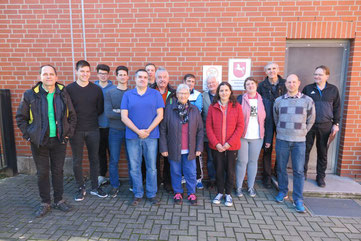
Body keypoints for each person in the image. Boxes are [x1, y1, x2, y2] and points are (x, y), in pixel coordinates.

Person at [16, 65, 77, 217]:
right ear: (40, 77)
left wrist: (68, 133)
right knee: (42, 172)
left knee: (58, 171)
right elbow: (20, 117)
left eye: (51, 74)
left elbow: (72, 116)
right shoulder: (30, 94)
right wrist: (29, 135)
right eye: (45, 74)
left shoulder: (63, 93)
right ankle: (45, 202)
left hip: (59, 140)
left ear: (56, 77)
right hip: (39, 141)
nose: (48, 77)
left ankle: (59, 200)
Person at [121, 69, 164, 206]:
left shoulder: (155, 94)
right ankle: (138, 193)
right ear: (135, 79)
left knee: (152, 167)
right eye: (140, 77)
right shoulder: (128, 95)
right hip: (132, 137)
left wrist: (148, 130)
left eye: (145, 77)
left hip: (151, 137)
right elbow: (124, 117)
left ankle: (151, 194)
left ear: (148, 79)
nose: (142, 79)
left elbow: (160, 115)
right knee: (134, 166)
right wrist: (138, 131)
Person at [66, 60, 107, 201]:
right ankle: (80, 188)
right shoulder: (69, 89)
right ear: (76, 72)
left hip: (93, 129)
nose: (85, 74)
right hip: (76, 131)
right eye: (82, 71)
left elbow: (100, 109)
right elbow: (66, 111)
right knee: (77, 160)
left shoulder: (96, 89)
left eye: (87, 71)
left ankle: (95, 187)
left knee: (94, 159)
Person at [273, 74, 315, 213]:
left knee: (298, 170)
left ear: (299, 83)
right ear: (285, 84)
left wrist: (302, 132)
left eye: (294, 82)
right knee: (281, 168)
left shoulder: (307, 100)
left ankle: (298, 199)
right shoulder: (279, 101)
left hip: (299, 141)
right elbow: (276, 117)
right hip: (282, 139)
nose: (291, 84)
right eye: (289, 82)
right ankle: (283, 191)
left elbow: (311, 119)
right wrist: (281, 131)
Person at [160, 84, 204, 205]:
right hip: (173, 147)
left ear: (189, 95)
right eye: (180, 93)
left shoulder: (194, 110)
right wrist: (163, 147)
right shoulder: (168, 109)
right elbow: (163, 129)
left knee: (191, 173)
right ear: (176, 94)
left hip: (190, 149)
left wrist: (199, 147)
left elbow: (200, 130)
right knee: (175, 172)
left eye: (185, 93)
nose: (183, 95)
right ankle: (178, 192)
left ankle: (191, 193)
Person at [206, 82, 244, 207]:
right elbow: (209, 127)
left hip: (231, 147)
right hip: (216, 147)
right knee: (219, 170)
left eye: (226, 90)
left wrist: (229, 143)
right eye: (221, 90)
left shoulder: (236, 106)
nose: (224, 93)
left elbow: (240, 126)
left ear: (230, 92)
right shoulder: (213, 107)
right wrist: (216, 143)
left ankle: (228, 193)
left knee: (230, 170)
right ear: (218, 93)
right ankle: (219, 192)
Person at [302, 65, 341, 187]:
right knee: (305, 150)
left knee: (322, 152)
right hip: (309, 125)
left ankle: (320, 177)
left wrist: (336, 123)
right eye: (316, 74)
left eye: (320, 74)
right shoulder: (308, 89)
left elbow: (337, 108)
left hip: (326, 125)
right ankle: (302, 174)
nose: (317, 76)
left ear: (327, 76)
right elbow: (302, 107)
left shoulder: (333, 90)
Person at [257, 62, 287, 188]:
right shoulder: (261, 86)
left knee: (281, 149)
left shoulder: (285, 84)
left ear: (278, 70)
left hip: (282, 121)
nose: (272, 71)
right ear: (266, 72)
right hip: (267, 121)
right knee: (267, 149)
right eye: (269, 69)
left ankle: (278, 173)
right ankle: (267, 177)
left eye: (274, 68)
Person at [236, 77, 266, 198]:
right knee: (242, 162)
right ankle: (238, 187)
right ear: (245, 87)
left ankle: (250, 187)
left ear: (256, 85)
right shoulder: (240, 99)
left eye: (252, 83)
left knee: (253, 162)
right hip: (242, 136)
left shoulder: (263, 100)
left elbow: (267, 120)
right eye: (247, 84)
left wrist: (267, 138)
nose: (250, 86)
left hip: (257, 136)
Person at [150, 67, 177, 193]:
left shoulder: (174, 93)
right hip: (153, 129)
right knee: (153, 159)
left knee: (168, 159)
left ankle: (168, 183)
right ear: (155, 78)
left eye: (164, 77)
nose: (162, 80)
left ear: (168, 78)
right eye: (159, 77)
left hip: (169, 131)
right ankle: (155, 183)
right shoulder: (149, 91)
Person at [104, 65, 130, 197]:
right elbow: (109, 113)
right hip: (114, 131)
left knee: (132, 159)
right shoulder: (110, 93)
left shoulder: (132, 93)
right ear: (116, 76)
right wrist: (125, 113)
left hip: (130, 131)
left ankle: (133, 184)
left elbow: (134, 113)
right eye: (120, 74)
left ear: (128, 77)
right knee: (114, 159)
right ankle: (114, 185)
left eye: (125, 74)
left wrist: (118, 111)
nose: (122, 77)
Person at [95, 64, 116, 186]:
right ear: (97, 74)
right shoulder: (92, 87)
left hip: (111, 126)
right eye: (101, 73)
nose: (103, 76)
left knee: (113, 154)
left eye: (105, 73)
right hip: (96, 127)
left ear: (108, 75)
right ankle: (101, 176)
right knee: (100, 153)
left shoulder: (113, 89)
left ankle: (113, 179)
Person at [183, 73, 204, 189]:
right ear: (184, 82)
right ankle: (184, 177)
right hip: (181, 129)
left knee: (196, 154)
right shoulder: (179, 92)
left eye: (192, 82)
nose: (190, 83)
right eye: (188, 81)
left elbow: (198, 110)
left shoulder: (198, 95)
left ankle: (198, 178)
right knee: (183, 153)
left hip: (194, 129)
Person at [202, 75, 219, 189]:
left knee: (221, 158)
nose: (211, 84)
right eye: (209, 83)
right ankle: (213, 179)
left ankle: (221, 179)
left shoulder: (223, 93)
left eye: (213, 82)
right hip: (207, 133)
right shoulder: (202, 96)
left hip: (221, 134)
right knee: (211, 158)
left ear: (217, 83)